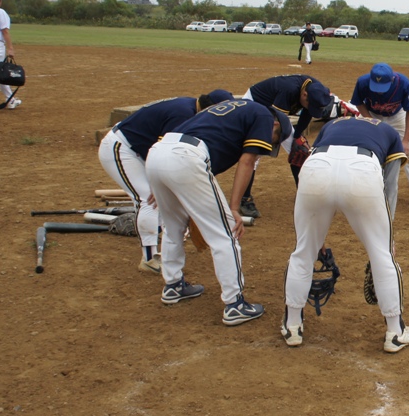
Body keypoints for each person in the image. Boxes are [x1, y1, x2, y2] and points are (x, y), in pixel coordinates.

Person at [145, 99, 292, 327]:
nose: (266, 145)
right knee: (226, 233)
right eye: (273, 140)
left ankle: (173, 285)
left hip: (158, 154)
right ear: (275, 126)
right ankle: (235, 304)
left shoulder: (233, 110)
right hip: (185, 156)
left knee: (173, 228)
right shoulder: (265, 117)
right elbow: (247, 161)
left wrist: (162, 181)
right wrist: (233, 208)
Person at [281, 115, 409, 353]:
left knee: (303, 251)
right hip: (362, 170)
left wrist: (318, 236)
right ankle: (395, 332)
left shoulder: (331, 125)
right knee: (382, 256)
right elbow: (391, 184)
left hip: (316, 168)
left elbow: (324, 170)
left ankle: (292, 325)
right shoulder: (388, 131)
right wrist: (389, 236)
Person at [99, 89, 233, 274]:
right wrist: (157, 184)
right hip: (120, 148)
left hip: (138, 150)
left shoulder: (189, 108)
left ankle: (161, 239)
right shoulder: (182, 115)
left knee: (157, 198)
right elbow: (161, 151)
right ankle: (149, 260)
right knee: (147, 199)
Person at [237, 75, 333, 217]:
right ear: (304, 94)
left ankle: (305, 195)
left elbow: (306, 113)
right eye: (310, 104)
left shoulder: (315, 89)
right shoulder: (288, 89)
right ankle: (244, 199)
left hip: (273, 111)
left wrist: (298, 136)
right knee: (255, 153)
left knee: (299, 150)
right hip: (254, 105)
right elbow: (277, 122)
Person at [350, 62, 409, 208]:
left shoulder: (403, 83)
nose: (379, 92)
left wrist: (405, 140)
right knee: (370, 150)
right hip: (373, 114)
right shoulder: (362, 82)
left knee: (408, 152)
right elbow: (359, 103)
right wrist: (369, 120)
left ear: (392, 80)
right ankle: (369, 188)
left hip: (397, 115)